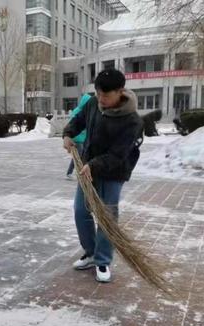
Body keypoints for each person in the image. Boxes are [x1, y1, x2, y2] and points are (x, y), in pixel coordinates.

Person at [63, 69, 143, 283]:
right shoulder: (92, 104)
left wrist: (94, 164)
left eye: (106, 96)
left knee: (107, 217)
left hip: (113, 172)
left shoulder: (132, 120)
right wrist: (68, 134)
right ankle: (90, 253)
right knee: (81, 211)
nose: (101, 99)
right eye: (98, 94)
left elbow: (118, 154)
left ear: (120, 92)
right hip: (88, 169)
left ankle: (103, 260)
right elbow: (78, 120)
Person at [65, 94, 92, 179]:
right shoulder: (78, 111)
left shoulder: (86, 111)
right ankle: (73, 172)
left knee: (80, 156)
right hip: (76, 138)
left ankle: (77, 172)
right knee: (79, 156)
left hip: (83, 138)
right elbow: (74, 124)